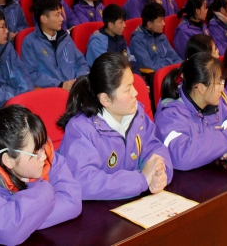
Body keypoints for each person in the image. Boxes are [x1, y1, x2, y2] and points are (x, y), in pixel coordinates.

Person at [0, 105, 82, 244]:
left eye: (43, 146)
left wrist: (27, 222)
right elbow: (10, 231)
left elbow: (72, 201)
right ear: (8, 160)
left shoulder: (45, 157)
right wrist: (44, 191)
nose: (43, 156)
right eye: (35, 153)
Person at [57, 52, 172, 199]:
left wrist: (160, 171)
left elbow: (155, 147)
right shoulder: (80, 128)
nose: (135, 93)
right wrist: (141, 180)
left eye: (133, 85)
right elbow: (84, 181)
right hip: (96, 209)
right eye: (127, 89)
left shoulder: (137, 115)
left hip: (131, 201)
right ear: (105, 99)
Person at [154, 52, 227, 170]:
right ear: (201, 88)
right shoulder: (170, 115)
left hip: (214, 173)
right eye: (218, 83)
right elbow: (182, 156)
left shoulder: (219, 98)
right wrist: (226, 138)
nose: (222, 87)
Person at [21, 0, 89, 90]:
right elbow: (31, 74)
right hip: (51, 92)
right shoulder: (30, 42)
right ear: (44, 19)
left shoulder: (65, 37)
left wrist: (79, 80)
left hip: (75, 88)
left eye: (61, 14)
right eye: (57, 15)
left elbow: (81, 63)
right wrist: (60, 85)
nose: (62, 19)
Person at [86, 4, 140, 74]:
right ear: (110, 25)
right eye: (121, 22)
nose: (124, 25)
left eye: (124, 21)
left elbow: (130, 59)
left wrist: (138, 77)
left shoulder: (119, 38)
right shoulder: (97, 44)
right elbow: (107, 72)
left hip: (123, 76)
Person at [129, 2, 182, 69]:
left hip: (169, 71)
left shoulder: (161, 36)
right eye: (160, 21)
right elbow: (149, 67)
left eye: (163, 19)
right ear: (149, 24)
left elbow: (176, 58)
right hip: (154, 74)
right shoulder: (137, 41)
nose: (164, 23)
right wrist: (169, 64)